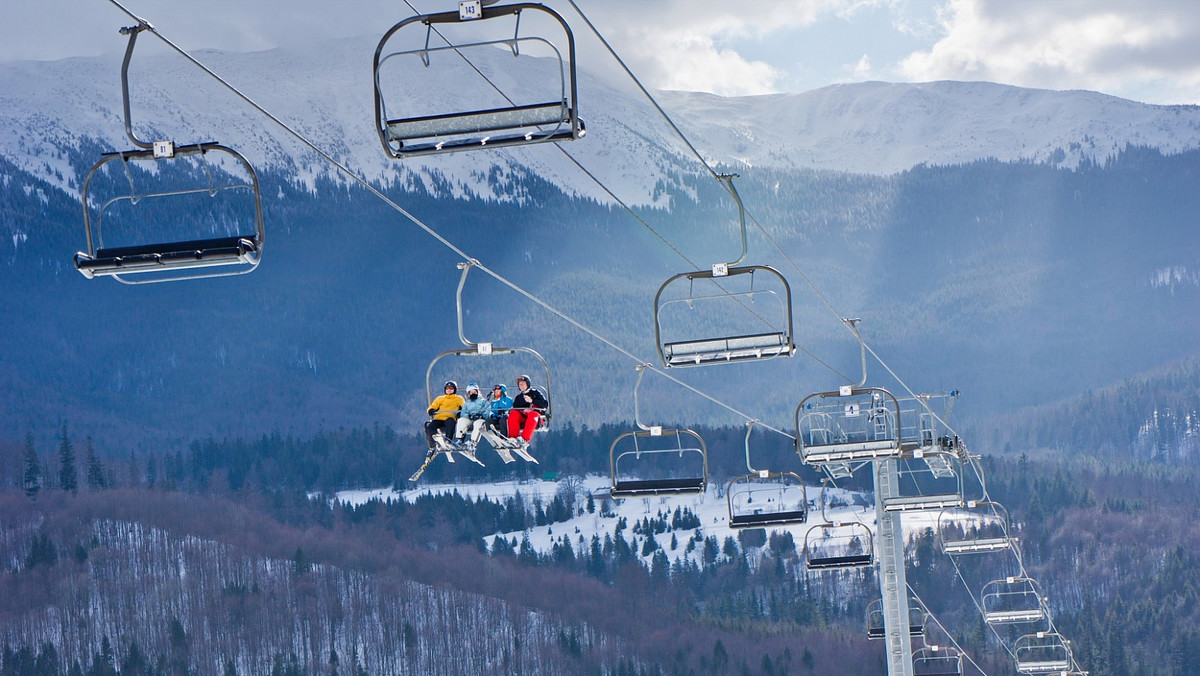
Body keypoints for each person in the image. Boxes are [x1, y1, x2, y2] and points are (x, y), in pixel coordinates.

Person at [506, 374, 548, 445]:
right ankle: (513, 438)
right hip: (524, 416)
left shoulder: (535, 393)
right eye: (520, 384)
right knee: (513, 413)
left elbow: (545, 404)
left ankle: (524, 439)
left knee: (533, 414)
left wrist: (532, 401)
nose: (521, 386)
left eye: (523, 384)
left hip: (535, 417)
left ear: (527, 384)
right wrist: (523, 410)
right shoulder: (519, 398)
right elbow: (515, 408)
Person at [424, 380, 463, 449]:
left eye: (451, 388)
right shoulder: (440, 399)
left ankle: (448, 441)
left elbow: (464, 407)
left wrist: (460, 413)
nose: (449, 390)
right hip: (439, 418)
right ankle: (432, 445)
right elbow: (433, 406)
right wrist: (431, 410)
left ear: (455, 389)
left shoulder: (458, 399)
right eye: (447, 388)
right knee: (430, 428)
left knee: (451, 422)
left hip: (450, 418)